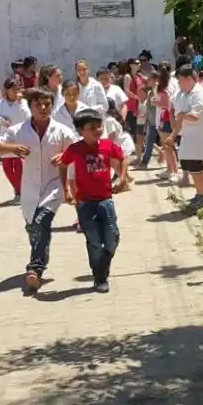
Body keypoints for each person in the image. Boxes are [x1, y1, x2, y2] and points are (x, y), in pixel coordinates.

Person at [0, 88, 79, 294]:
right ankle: (38, 261)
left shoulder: (62, 130)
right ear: (30, 107)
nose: (42, 108)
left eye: (47, 104)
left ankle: (34, 269)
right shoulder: (18, 130)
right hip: (29, 187)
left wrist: (65, 156)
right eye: (38, 104)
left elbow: (79, 149)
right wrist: (13, 149)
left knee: (42, 222)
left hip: (53, 186)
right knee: (36, 229)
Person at [59, 109, 128, 293]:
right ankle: (100, 277)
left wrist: (122, 178)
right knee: (95, 241)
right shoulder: (75, 149)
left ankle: (104, 262)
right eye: (92, 127)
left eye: (99, 126)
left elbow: (122, 158)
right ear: (81, 131)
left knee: (112, 237)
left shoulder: (107, 145)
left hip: (106, 201)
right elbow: (63, 165)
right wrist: (66, 189)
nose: (97, 130)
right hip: (85, 204)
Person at [173, 66, 203, 208]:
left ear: (189, 79)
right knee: (186, 162)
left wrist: (182, 115)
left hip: (200, 134)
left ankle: (201, 195)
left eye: (181, 81)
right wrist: (174, 134)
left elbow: (193, 116)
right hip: (188, 134)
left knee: (194, 164)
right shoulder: (183, 94)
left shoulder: (199, 93)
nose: (179, 84)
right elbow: (178, 112)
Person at [0, 79, 31, 203]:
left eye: (17, 89)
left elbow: (28, 117)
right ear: (7, 90)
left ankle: (19, 194)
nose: (15, 92)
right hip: (6, 138)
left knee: (20, 168)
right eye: (13, 89)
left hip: (21, 136)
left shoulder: (23, 102)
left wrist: (20, 103)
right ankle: (19, 191)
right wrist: (1, 120)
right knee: (8, 168)